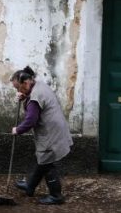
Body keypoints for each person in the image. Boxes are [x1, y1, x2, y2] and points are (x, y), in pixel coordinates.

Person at [10, 66, 73, 205]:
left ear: (26, 83)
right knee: (42, 160)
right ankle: (30, 186)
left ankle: (56, 196)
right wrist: (24, 95)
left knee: (47, 164)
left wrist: (18, 130)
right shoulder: (38, 85)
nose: (17, 91)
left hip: (51, 134)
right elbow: (34, 101)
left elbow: (31, 120)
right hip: (54, 129)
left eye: (18, 87)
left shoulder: (35, 97)